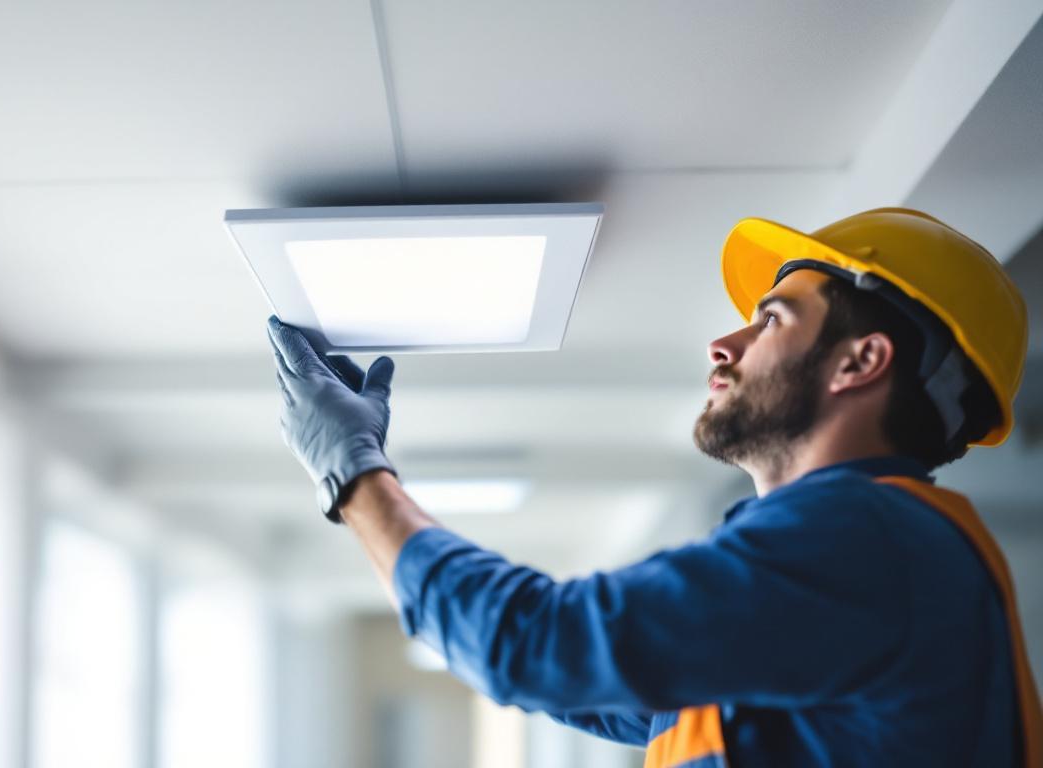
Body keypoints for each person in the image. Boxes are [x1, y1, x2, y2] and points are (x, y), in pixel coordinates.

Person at [266, 208, 1041, 767]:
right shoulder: (865, 555)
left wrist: (354, 473)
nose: (724, 342)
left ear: (860, 362)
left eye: (771, 320)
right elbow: (609, 685)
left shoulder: (862, 541)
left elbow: (537, 645)